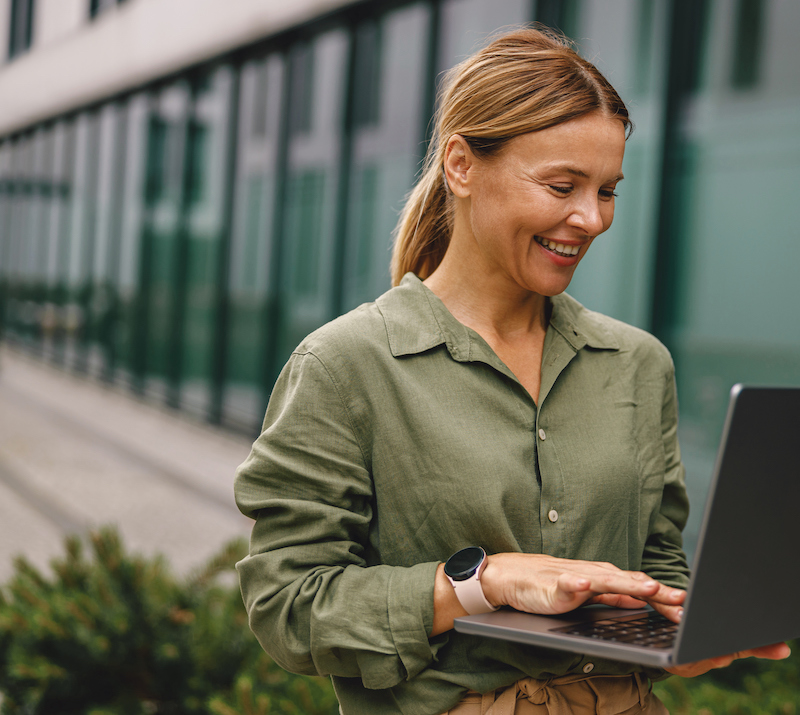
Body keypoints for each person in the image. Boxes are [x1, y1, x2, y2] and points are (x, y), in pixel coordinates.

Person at [234, 27, 789, 715]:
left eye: (608, 191)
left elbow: (657, 568)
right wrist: (483, 581)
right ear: (462, 166)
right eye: (562, 185)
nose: (590, 219)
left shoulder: (639, 365)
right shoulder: (347, 366)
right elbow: (287, 606)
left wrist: (679, 633)